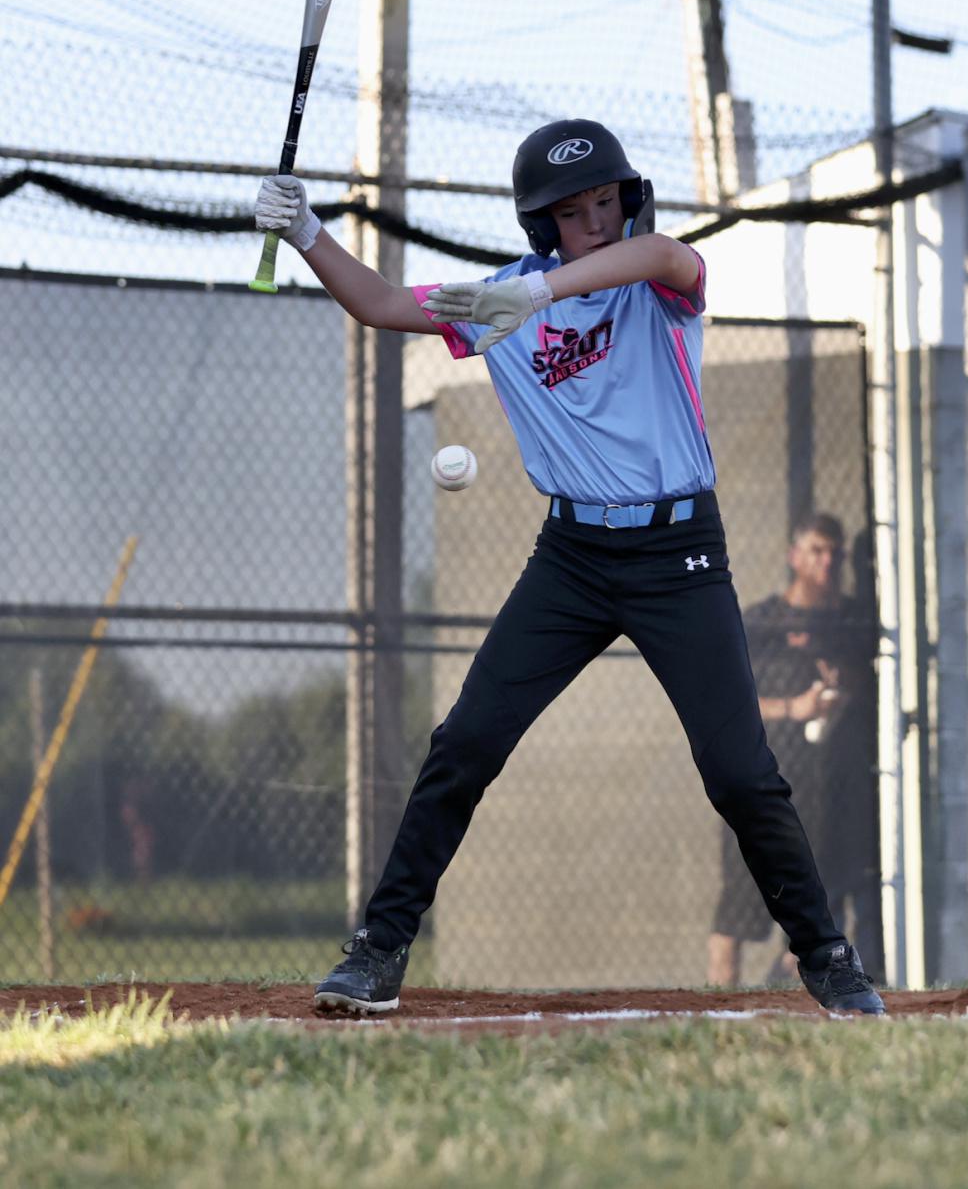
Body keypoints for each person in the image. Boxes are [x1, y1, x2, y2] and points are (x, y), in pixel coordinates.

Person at [254, 118, 885, 1017]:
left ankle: (826, 955)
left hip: (680, 552)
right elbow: (384, 305)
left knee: (740, 771)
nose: (597, 218)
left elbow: (667, 257)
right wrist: (308, 233)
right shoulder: (499, 300)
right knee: (465, 743)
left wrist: (539, 293)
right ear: (541, 223)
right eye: (573, 210)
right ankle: (378, 949)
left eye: (607, 201)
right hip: (574, 558)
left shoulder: (647, 284)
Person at [707, 514, 882, 987]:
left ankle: (788, 987)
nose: (828, 562)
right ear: (794, 556)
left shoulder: (852, 622)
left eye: (836, 553)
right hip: (766, 783)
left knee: (824, 904)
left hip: (831, 791)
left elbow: (875, 689)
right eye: (817, 551)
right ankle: (715, 1008)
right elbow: (728, 703)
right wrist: (794, 707)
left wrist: (842, 689)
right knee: (738, 906)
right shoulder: (762, 622)